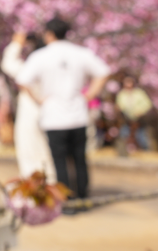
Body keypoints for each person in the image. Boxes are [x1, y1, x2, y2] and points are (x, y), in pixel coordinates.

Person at [14, 17, 110, 200]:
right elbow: (103, 72)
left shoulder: (40, 56)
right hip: (78, 115)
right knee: (79, 159)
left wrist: (39, 99)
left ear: (49, 34)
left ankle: (67, 200)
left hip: (53, 117)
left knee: (60, 162)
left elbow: (22, 80)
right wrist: (88, 95)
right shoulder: (81, 53)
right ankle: (83, 197)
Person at [1, 31, 55, 181]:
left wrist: (16, 43)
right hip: (53, 114)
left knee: (29, 152)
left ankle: (35, 190)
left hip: (30, 113)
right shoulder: (54, 69)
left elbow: (8, 63)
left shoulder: (29, 68)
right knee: (48, 153)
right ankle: (51, 186)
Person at [115, 76, 153, 153]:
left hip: (139, 118)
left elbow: (148, 104)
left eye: (129, 82)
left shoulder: (139, 93)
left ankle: (146, 151)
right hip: (126, 119)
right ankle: (123, 151)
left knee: (141, 135)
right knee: (124, 134)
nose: (128, 84)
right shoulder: (122, 94)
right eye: (126, 82)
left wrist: (140, 111)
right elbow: (119, 104)